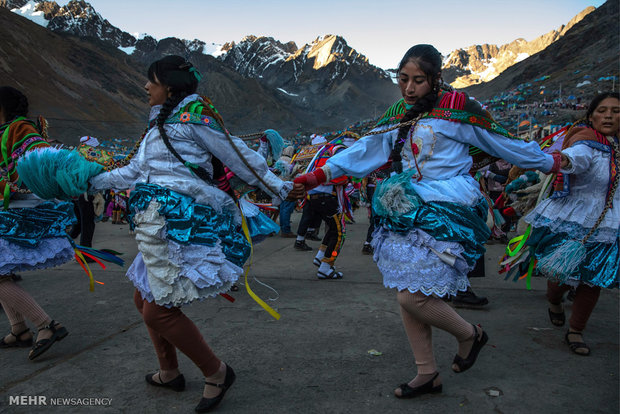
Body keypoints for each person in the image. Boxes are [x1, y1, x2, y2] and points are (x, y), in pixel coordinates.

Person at [294, 45, 562, 398]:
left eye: (417, 80)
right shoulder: (399, 112)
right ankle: (427, 373)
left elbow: (501, 142)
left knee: (413, 298)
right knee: (408, 289)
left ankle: (470, 334)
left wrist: (550, 163)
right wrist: (320, 174)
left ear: (436, 79)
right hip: (406, 207)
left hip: (447, 208)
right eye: (402, 79)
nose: (408, 88)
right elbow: (366, 150)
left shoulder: (458, 109)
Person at [87, 56, 303, 412]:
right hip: (158, 226)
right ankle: (169, 372)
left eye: (151, 81)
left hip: (186, 226)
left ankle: (217, 372)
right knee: (144, 301)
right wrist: (86, 179)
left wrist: (279, 187)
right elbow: (133, 172)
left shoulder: (193, 117)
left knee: (158, 311)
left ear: (169, 85)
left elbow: (238, 155)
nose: (145, 87)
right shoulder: (156, 126)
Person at [524, 92, 619, 356]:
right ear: (591, 116)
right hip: (574, 217)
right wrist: (558, 160)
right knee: (561, 274)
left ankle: (576, 329)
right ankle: (554, 301)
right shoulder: (586, 143)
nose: (609, 115)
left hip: (609, 222)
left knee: (592, 279)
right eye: (602, 110)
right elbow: (574, 158)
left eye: (616, 111)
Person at [0, 86, 70, 360]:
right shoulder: (9, 130)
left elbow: (41, 156)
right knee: (2, 272)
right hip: (7, 208)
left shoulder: (19, 128)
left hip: (15, 211)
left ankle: (46, 325)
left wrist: (13, 183)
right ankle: (19, 330)